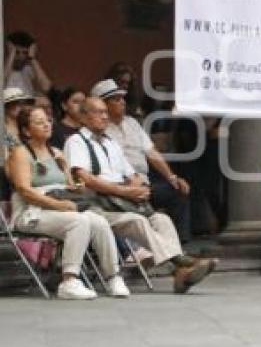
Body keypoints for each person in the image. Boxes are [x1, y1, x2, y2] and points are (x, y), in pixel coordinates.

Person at [64, 96, 215, 294]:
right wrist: (124, 191)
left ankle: (180, 273)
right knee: (138, 221)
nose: (104, 116)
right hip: (97, 206)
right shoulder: (76, 142)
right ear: (83, 117)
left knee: (161, 219)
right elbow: (85, 179)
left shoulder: (110, 143)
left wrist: (140, 188)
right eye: (97, 112)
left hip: (121, 203)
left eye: (104, 112)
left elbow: (131, 175)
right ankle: (181, 262)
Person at [8, 106, 129, 299]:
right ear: (26, 131)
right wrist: (59, 206)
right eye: (39, 122)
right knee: (79, 221)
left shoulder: (56, 152)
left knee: (98, 221)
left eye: (48, 120)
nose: (47, 125)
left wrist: (72, 179)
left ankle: (113, 276)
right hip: (32, 212)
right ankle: (69, 280)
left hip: (62, 206)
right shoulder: (20, 153)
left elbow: (70, 188)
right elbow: (25, 190)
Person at [94, 79, 192, 243]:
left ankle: (180, 247)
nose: (122, 102)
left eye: (122, 98)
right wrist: (128, 185)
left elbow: (151, 152)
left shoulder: (132, 123)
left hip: (145, 182)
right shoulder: (100, 131)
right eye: (116, 99)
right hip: (121, 187)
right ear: (103, 105)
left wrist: (172, 177)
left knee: (177, 191)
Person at [4, 31, 52, 97]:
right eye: (17, 52)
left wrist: (32, 58)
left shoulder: (29, 70)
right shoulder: (4, 70)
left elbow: (46, 87)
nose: (21, 56)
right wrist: (11, 54)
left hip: (27, 106)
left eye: (25, 53)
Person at [3, 87, 34, 155]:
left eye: (20, 102)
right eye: (13, 103)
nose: (17, 106)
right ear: (4, 106)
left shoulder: (27, 124)